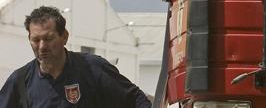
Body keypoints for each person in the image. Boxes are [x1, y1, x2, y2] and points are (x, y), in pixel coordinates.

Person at [0, 6, 152, 107]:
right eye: (35, 40)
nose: (42, 46)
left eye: (48, 39)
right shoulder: (19, 82)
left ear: (64, 37)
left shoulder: (93, 68)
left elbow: (135, 99)